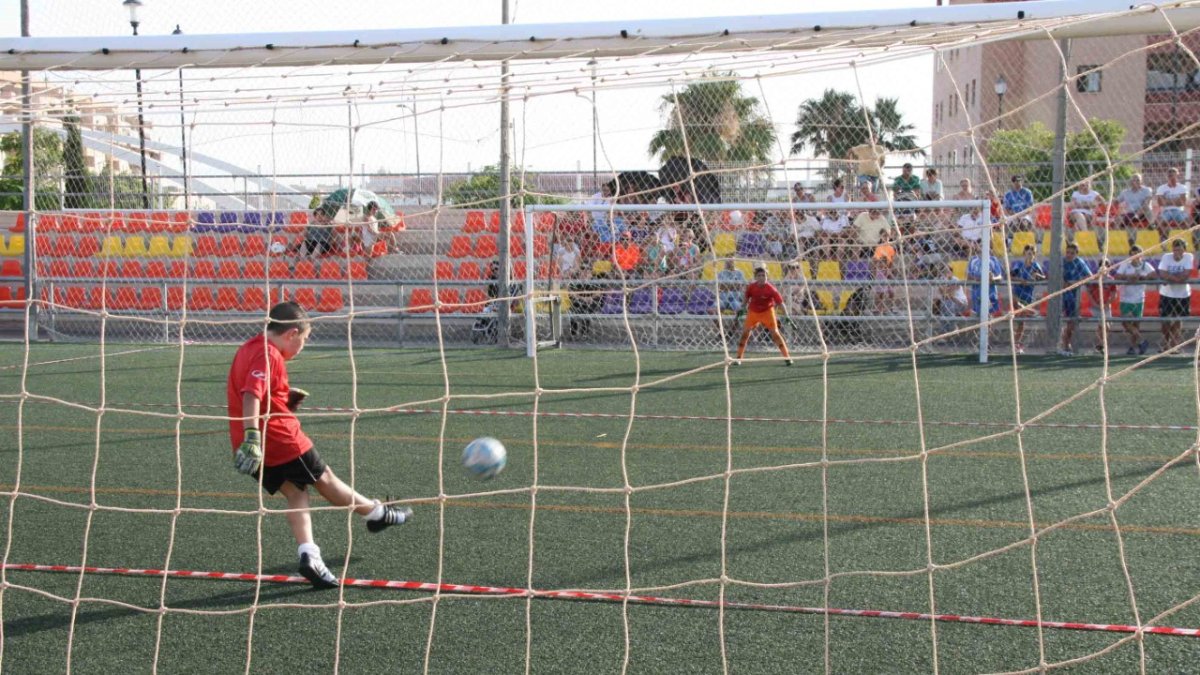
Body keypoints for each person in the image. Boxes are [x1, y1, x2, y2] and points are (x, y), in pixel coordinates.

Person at [228, 302, 412, 589]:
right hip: (277, 439)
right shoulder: (270, 355)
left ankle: (309, 555)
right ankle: (377, 514)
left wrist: (283, 402)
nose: (304, 344)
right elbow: (251, 395)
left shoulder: (248, 349)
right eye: (305, 337)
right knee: (325, 479)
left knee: (296, 492)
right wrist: (254, 437)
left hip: (250, 445)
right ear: (291, 333)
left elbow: (257, 393)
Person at [734, 266, 794, 366]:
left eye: (764, 275)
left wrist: (786, 315)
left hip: (767, 312)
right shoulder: (751, 287)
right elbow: (746, 298)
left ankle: (787, 357)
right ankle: (739, 358)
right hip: (753, 312)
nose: (762, 277)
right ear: (755, 277)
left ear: (767, 276)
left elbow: (780, 303)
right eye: (759, 275)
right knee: (745, 333)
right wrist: (742, 308)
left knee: (775, 333)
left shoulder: (771, 289)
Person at [1113, 245, 1155, 355]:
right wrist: (1129, 277)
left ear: (1141, 255)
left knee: (1136, 325)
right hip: (1126, 298)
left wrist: (1143, 277)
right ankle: (1142, 341)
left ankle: (1132, 347)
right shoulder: (1125, 265)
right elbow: (1117, 276)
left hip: (1139, 298)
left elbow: (1154, 275)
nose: (1135, 257)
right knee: (1125, 323)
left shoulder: (1145, 266)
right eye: (1132, 255)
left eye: (1137, 254)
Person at [1158, 238, 1194, 353]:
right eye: (1175, 250)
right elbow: (1162, 273)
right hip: (1167, 293)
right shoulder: (1166, 257)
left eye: (1179, 250)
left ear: (1184, 250)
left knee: (1178, 320)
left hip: (1182, 294)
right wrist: (1177, 278)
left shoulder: (1189, 256)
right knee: (1165, 320)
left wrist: (1170, 276)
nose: (1176, 253)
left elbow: (1186, 274)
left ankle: (1174, 345)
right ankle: (1165, 344)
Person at [1009, 245, 1045, 355]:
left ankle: (1016, 344)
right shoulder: (1019, 265)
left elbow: (1043, 277)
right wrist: (1020, 279)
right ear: (1024, 253)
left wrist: (1037, 275)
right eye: (1028, 253)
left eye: (1032, 253)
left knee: (1021, 321)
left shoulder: (1035, 266)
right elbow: (1011, 276)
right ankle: (1016, 343)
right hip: (1017, 293)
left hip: (1027, 296)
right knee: (1019, 315)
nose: (1030, 255)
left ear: (1034, 255)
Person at [1058, 243, 1092, 356]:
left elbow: (1089, 276)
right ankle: (1062, 345)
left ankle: (1066, 344)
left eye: (1072, 253)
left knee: (1071, 323)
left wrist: (1076, 282)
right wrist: (1062, 282)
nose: (1069, 255)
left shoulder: (1079, 263)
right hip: (1060, 296)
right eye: (1067, 252)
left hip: (1073, 297)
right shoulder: (1061, 262)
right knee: (1059, 321)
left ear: (1076, 254)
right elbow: (1052, 275)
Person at [1087, 259, 1117, 354]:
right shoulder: (1095, 279)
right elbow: (1089, 293)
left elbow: (1113, 294)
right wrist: (1095, 304)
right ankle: (1102, 345)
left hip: (1106, 306)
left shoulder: (1111, 280)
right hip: (1095, 306)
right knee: (1101, 325)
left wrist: (1106, 304)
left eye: (1106, 265)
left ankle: (1101, 345)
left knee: (1107, 326)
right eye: (1101, 265)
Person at [1155, 167, 1188, 239]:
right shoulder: (1161, 188)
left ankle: (1182, 239)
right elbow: (1160, 203)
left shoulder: (1183, 187)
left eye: (1173, 175)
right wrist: (1176, 200)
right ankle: (1164, 239)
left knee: (1187, 221)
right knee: (1160, 221)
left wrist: (1166, 201)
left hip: (1179, 210)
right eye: (1169, 175)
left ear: (1177, 175)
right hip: (1166, 211)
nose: (1171, 177)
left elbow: (1182, 202)